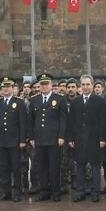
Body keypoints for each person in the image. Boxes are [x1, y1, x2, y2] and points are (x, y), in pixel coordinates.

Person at [67, 75, 106, 203]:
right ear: (81, 86)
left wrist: (103, 138)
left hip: (94, 138)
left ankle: (95, 191)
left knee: (95, 166)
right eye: (83, 84)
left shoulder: (100, 101)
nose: (85, 87)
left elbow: (104, 121)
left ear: (92, 85)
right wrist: (70, 138)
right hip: (79, 139)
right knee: (80, 166)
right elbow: (71, 122)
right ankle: (80, 191)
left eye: (88, 84)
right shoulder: (76, 102)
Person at [29, 73, 68, 201]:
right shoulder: (34, 100)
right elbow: (31, 120)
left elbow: (63, 119)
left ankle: (56, 191)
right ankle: (44, 190)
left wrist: (61, 136)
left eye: (46, 84)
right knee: (41, 167)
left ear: (51, 85)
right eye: (42, 84)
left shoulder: (60, 99)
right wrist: (32, 138)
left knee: (54, 166)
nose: (44, 87)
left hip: (54, 139)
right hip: (39, 139)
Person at [0, 77, 27, 202]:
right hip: (1, 140)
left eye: (8, 87)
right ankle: (5, 192)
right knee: (3, 168)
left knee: (16, 168)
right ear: (1, 90)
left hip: (15, 140)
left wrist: (22, 140)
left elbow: (23, 123)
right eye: (4, 87)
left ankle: (17, 192)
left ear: (13, 89)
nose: (6, 89)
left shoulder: (19, 102)